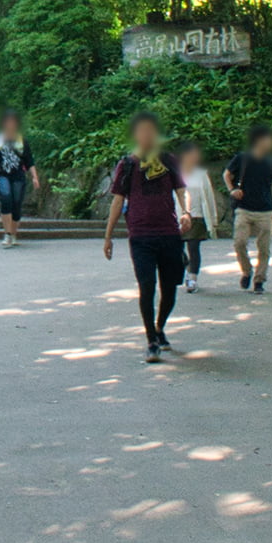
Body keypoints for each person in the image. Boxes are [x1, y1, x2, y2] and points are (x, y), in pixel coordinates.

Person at [104, 112, 187, 363]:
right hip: (140, 236)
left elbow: (182, 191)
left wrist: (187, 213)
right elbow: (117, 201)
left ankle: (160, 326)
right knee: (147, 287)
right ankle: (151, 339)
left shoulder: (168, 160)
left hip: (169, 233)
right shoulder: (127, 165)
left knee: (170, 288)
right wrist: (108, 237)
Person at [224, 122, 272, 294]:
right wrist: (232, 190)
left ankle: (259, 280)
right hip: (244, 208)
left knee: (264, 248)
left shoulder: (271, 162)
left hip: (265, 210)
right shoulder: (242, 158)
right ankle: (246, 271)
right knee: (239, 242)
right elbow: (227, 174)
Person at [0, 111, 42, 248]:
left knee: (16, 203)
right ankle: (7, 234)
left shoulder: (21, 142)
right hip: (2, 175)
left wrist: (35, 177)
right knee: (6, 198)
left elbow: (30, 162)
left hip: (18, 176)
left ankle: (14, 233)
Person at [177, 140, 223, 285]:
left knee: (193, 247)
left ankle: (192, 277)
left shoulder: (201, 174)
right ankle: (186, 265)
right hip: (177, 217)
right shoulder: (174, 173)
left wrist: (213, 219)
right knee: (175, 249)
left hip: (197, 216)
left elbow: (208, 197)